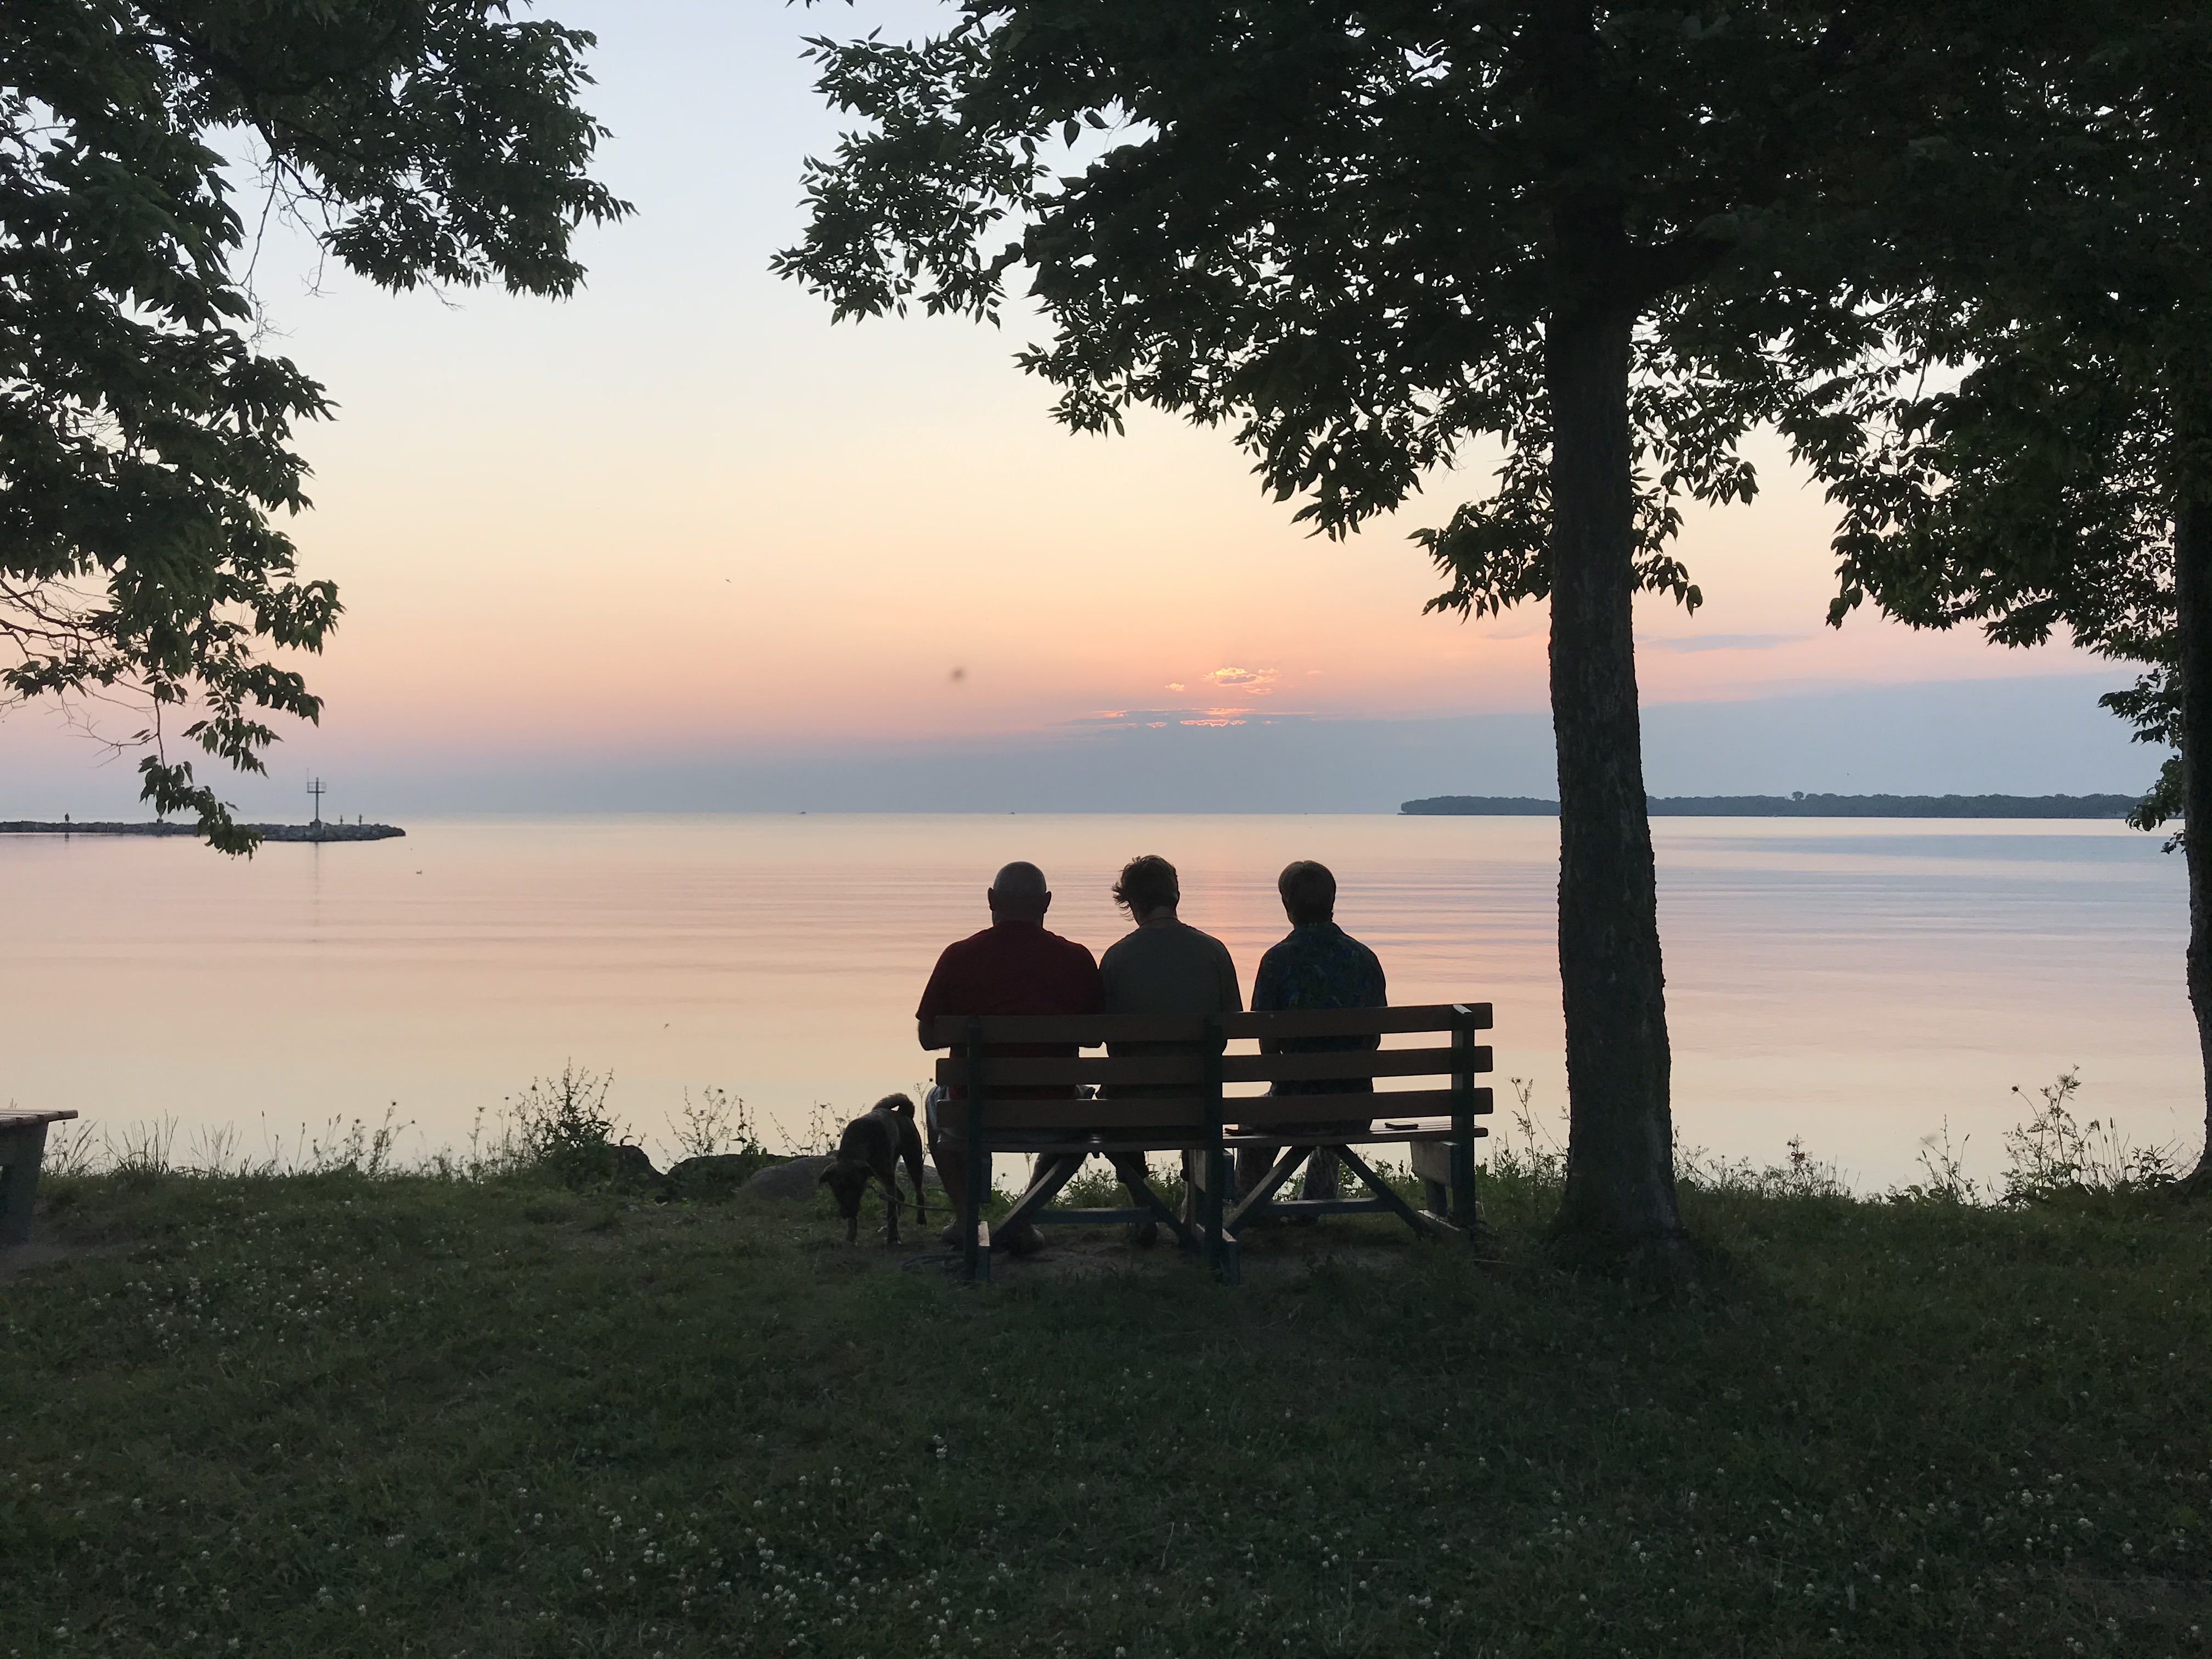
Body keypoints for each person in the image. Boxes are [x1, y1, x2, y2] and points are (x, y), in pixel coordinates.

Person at [915, 861, 1102, 1254]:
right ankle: (1023, 1218)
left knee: (935, 1100)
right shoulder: (1077, 960)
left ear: (991, 900)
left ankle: (966, 1221)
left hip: (975, 1115)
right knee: (1084, 1109)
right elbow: (1095, 1039)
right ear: (1047, 903)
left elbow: (928, 1038)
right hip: (1055, 1117)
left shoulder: (959, 957)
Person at [1098, 854, 1242, 1243]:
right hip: (1201, 1104)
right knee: (1195, 1077)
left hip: (1133, 1109)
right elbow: (1232, 1026)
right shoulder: (1214, 952)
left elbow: (1106, 1039)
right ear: (1176, 894)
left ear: (1130, 902)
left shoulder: (1115, 959)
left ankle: (1143, 1207)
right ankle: (1191, 1207)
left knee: (1110, 1094)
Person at [1240, 859, 1386, 1202]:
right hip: (1355, 1109)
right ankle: (1316, 1202)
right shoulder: (1364, 958)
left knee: (1253, 1118)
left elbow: (1266, 1044)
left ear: (1287, 905)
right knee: (1334, 1103)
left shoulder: (1277, 961)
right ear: (1332, 902)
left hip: (1292, 1107)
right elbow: (1374, 1038)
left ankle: (1250, 1205)